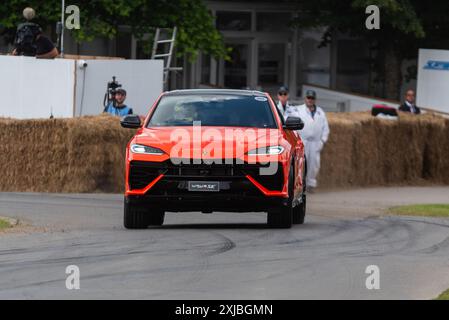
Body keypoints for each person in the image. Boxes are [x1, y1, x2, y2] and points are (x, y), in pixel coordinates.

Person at [295, 90, 330, 192]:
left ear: (315, 99)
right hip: (303, 141)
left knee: (314, 164)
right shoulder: (298, 110)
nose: (310, 100)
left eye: (312, 98)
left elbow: (325, 128)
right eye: (308, 98)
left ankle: (311, 185)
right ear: (305, 98)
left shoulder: (320, 112)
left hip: (315, 142)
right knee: (301, 163)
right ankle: (300, 185)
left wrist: (322, 141)